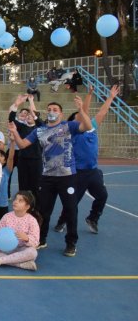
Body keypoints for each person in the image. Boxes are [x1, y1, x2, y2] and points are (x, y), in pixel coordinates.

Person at [8, 97, 93, 256]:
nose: (52, 112)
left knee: (70, 209)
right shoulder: (39, 130)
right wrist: (14, 132)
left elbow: (87, 126)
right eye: (49, 109)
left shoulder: (68, 126)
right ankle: (41, 239)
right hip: (47, 176)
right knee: (43, 210)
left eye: (55, 110)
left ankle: (71, 243)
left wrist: (81, 109)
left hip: (67, 176)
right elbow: (22, 145)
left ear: (61, 113)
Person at [54, 85, 119, 234]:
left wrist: (109, 97)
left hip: (93, 171)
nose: (82, 115)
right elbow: (84, 112)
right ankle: (62, 221)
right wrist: (83, 105)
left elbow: (102, 111)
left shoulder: (92, 128)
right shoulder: (73, 133)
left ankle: (93, 218)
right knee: (72, 202)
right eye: (79, 115)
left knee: (102, 196)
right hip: (78, 173)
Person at [0, 191, 41, 271]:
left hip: (22, 249)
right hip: (6, 249)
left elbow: (36, 241)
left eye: (20, 201)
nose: (15, 202)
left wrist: (27, 238)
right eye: (15, 199)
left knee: (33, 253)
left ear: (27, 206)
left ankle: (0, 260)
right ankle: (21, 264)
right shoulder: (7, 217)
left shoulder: (32, 220)